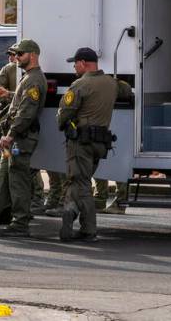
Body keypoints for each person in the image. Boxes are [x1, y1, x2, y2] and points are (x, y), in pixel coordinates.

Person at [0, 39, 47, 238]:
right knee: (2, 178)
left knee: (17, 181)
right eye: (15, 54)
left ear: (33, 55)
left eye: (20, 54)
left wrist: (11, 135)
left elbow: (26, 113)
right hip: (12, 139)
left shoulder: (35, 79)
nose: (16, 58)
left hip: (20, 139)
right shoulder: (28, 77)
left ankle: (20, 223)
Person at [58, 47, 118, 242]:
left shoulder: (80, 85)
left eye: (75, 63)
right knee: (81, 181)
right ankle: (72, 212)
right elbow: (126, 90)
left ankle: (86, 227)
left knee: (81, 182)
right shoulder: (112, 83)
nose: (74, 67)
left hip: (80, 143)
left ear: (83, 63)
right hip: (101, 144)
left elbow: (64, 113)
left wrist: (61, 121)